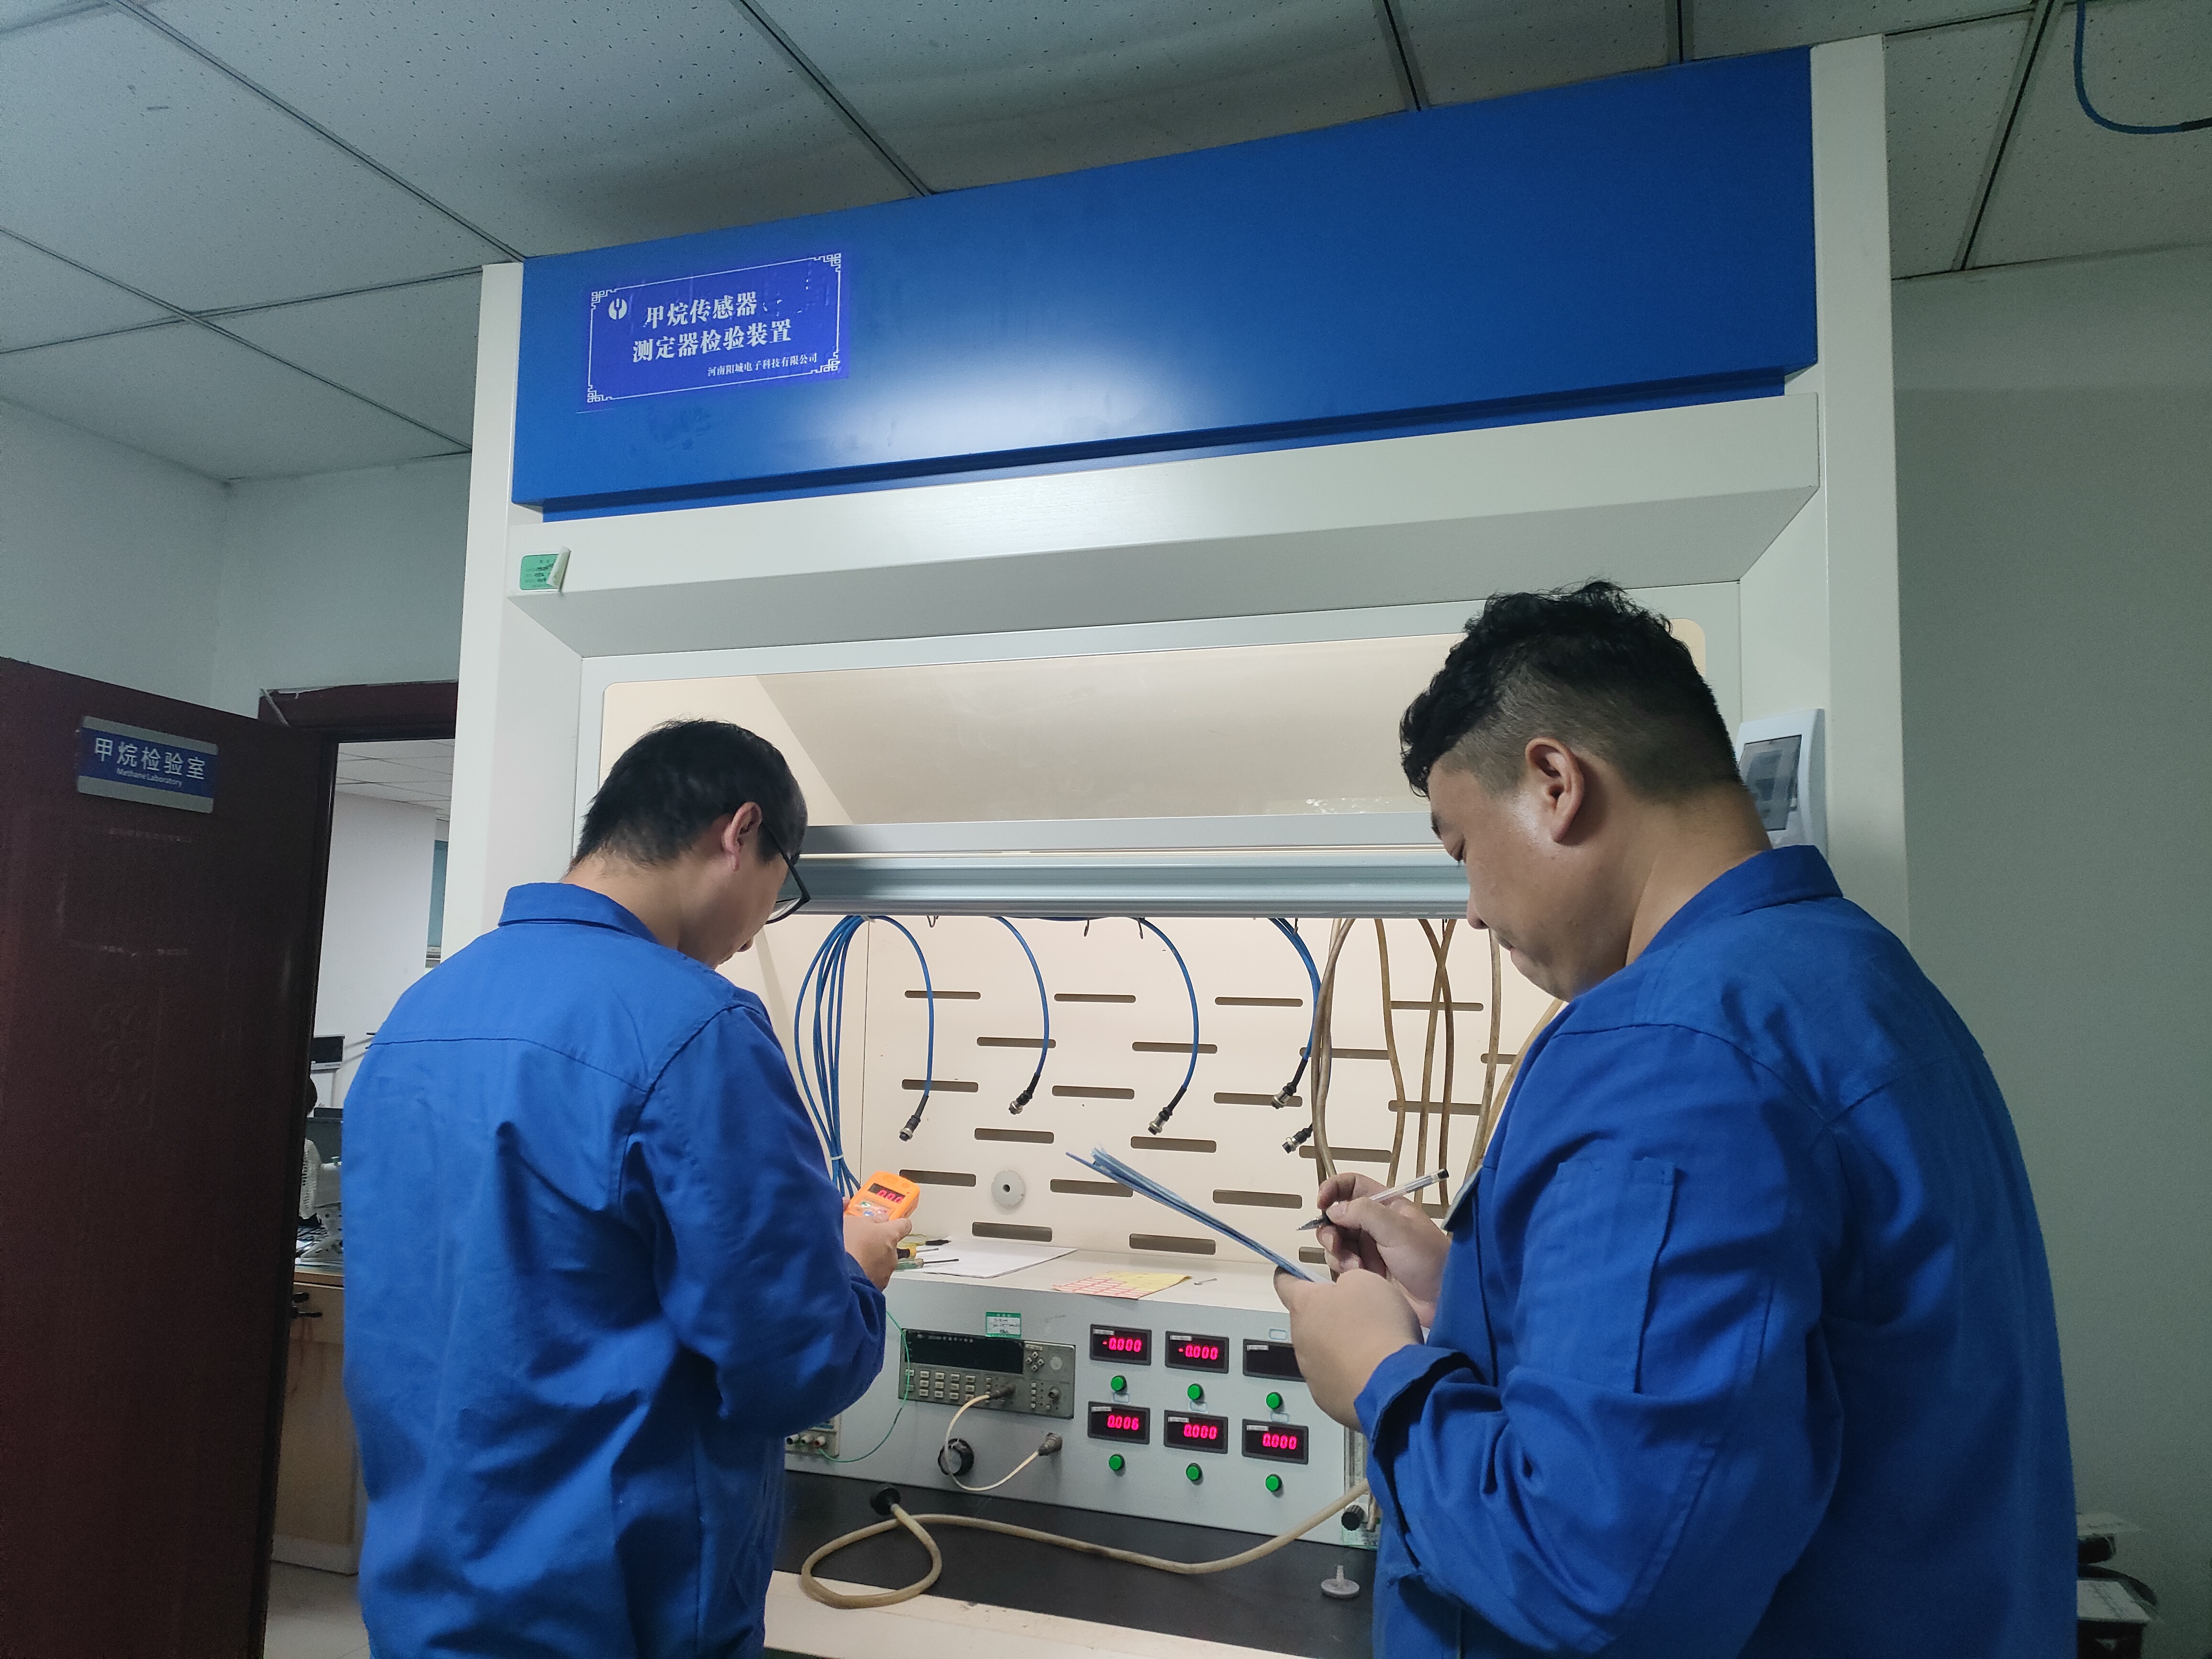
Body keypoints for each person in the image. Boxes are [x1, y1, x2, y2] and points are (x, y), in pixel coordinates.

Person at [1275, 584, 2072, 1657]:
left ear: (1555, 783)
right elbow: (1784, 1370)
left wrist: (1383, 1380)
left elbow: (1598, 1575)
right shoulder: (1858, 982)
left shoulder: (1668, 1050)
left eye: (1461, 848)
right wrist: (1471, 1291)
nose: (1472, 909)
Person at [343, 719, 907, 1659]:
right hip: (612, 1608)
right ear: (740, 833)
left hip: (427, 1593)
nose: (756, 930)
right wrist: (855, 1270)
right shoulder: (695, 1028)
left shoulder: (423, 1011)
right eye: (780, 889)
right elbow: (793, 1363)